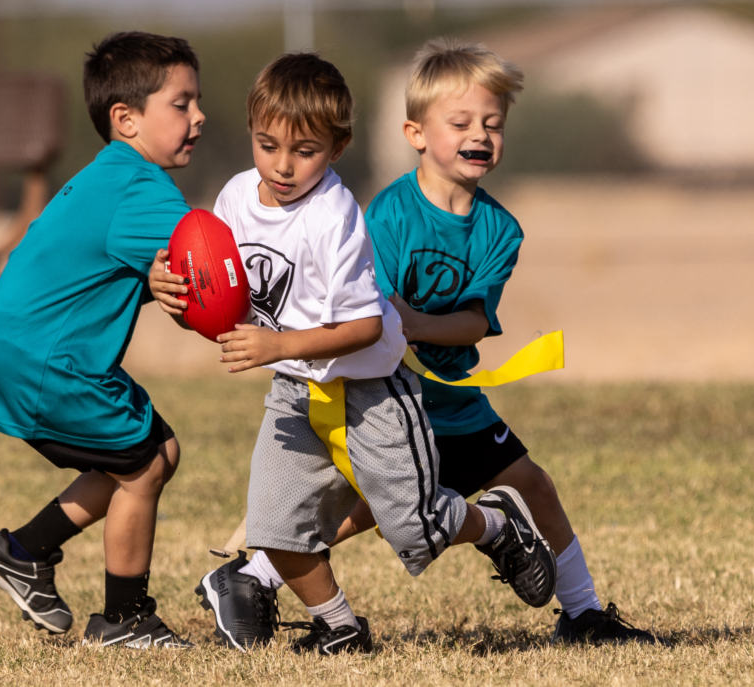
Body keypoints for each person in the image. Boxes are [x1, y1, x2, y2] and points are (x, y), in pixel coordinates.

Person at [203, 38, 657, 647]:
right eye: (462, 121)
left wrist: (412, 322)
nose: (480, 135)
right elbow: (366, 321)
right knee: (372, 509)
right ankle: (259, 575)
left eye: (492, 124)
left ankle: (584, 613)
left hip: (450, 400)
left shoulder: (500, 228)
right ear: (416, 132)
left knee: (527, 487)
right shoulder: (384, 215)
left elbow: (472, 321)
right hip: (382, 397)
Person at [149, 52, 556, 656]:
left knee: (413, 526)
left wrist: (279, 344)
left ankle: (495, 524)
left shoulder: (334, 216)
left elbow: (366, 326)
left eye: (304, 151)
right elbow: (226, 303)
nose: (283, 166)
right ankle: (339, 625)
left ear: (337, 149)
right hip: (295, 388)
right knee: (273, 527)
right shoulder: (234, 199)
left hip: (372, 391)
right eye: (268, 145)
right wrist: (176, 298)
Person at [0, 31, 204, 650]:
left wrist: (156, 280)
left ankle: (23, 550)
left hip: (17, 351)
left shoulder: (106, 175)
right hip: (50, 363)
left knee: (152, 453)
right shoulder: (143, 190)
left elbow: (116, 267)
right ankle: (124, 621)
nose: (199, 117)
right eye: (181, 104)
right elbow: (215, 273)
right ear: (125, 119)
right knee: (145, 462)